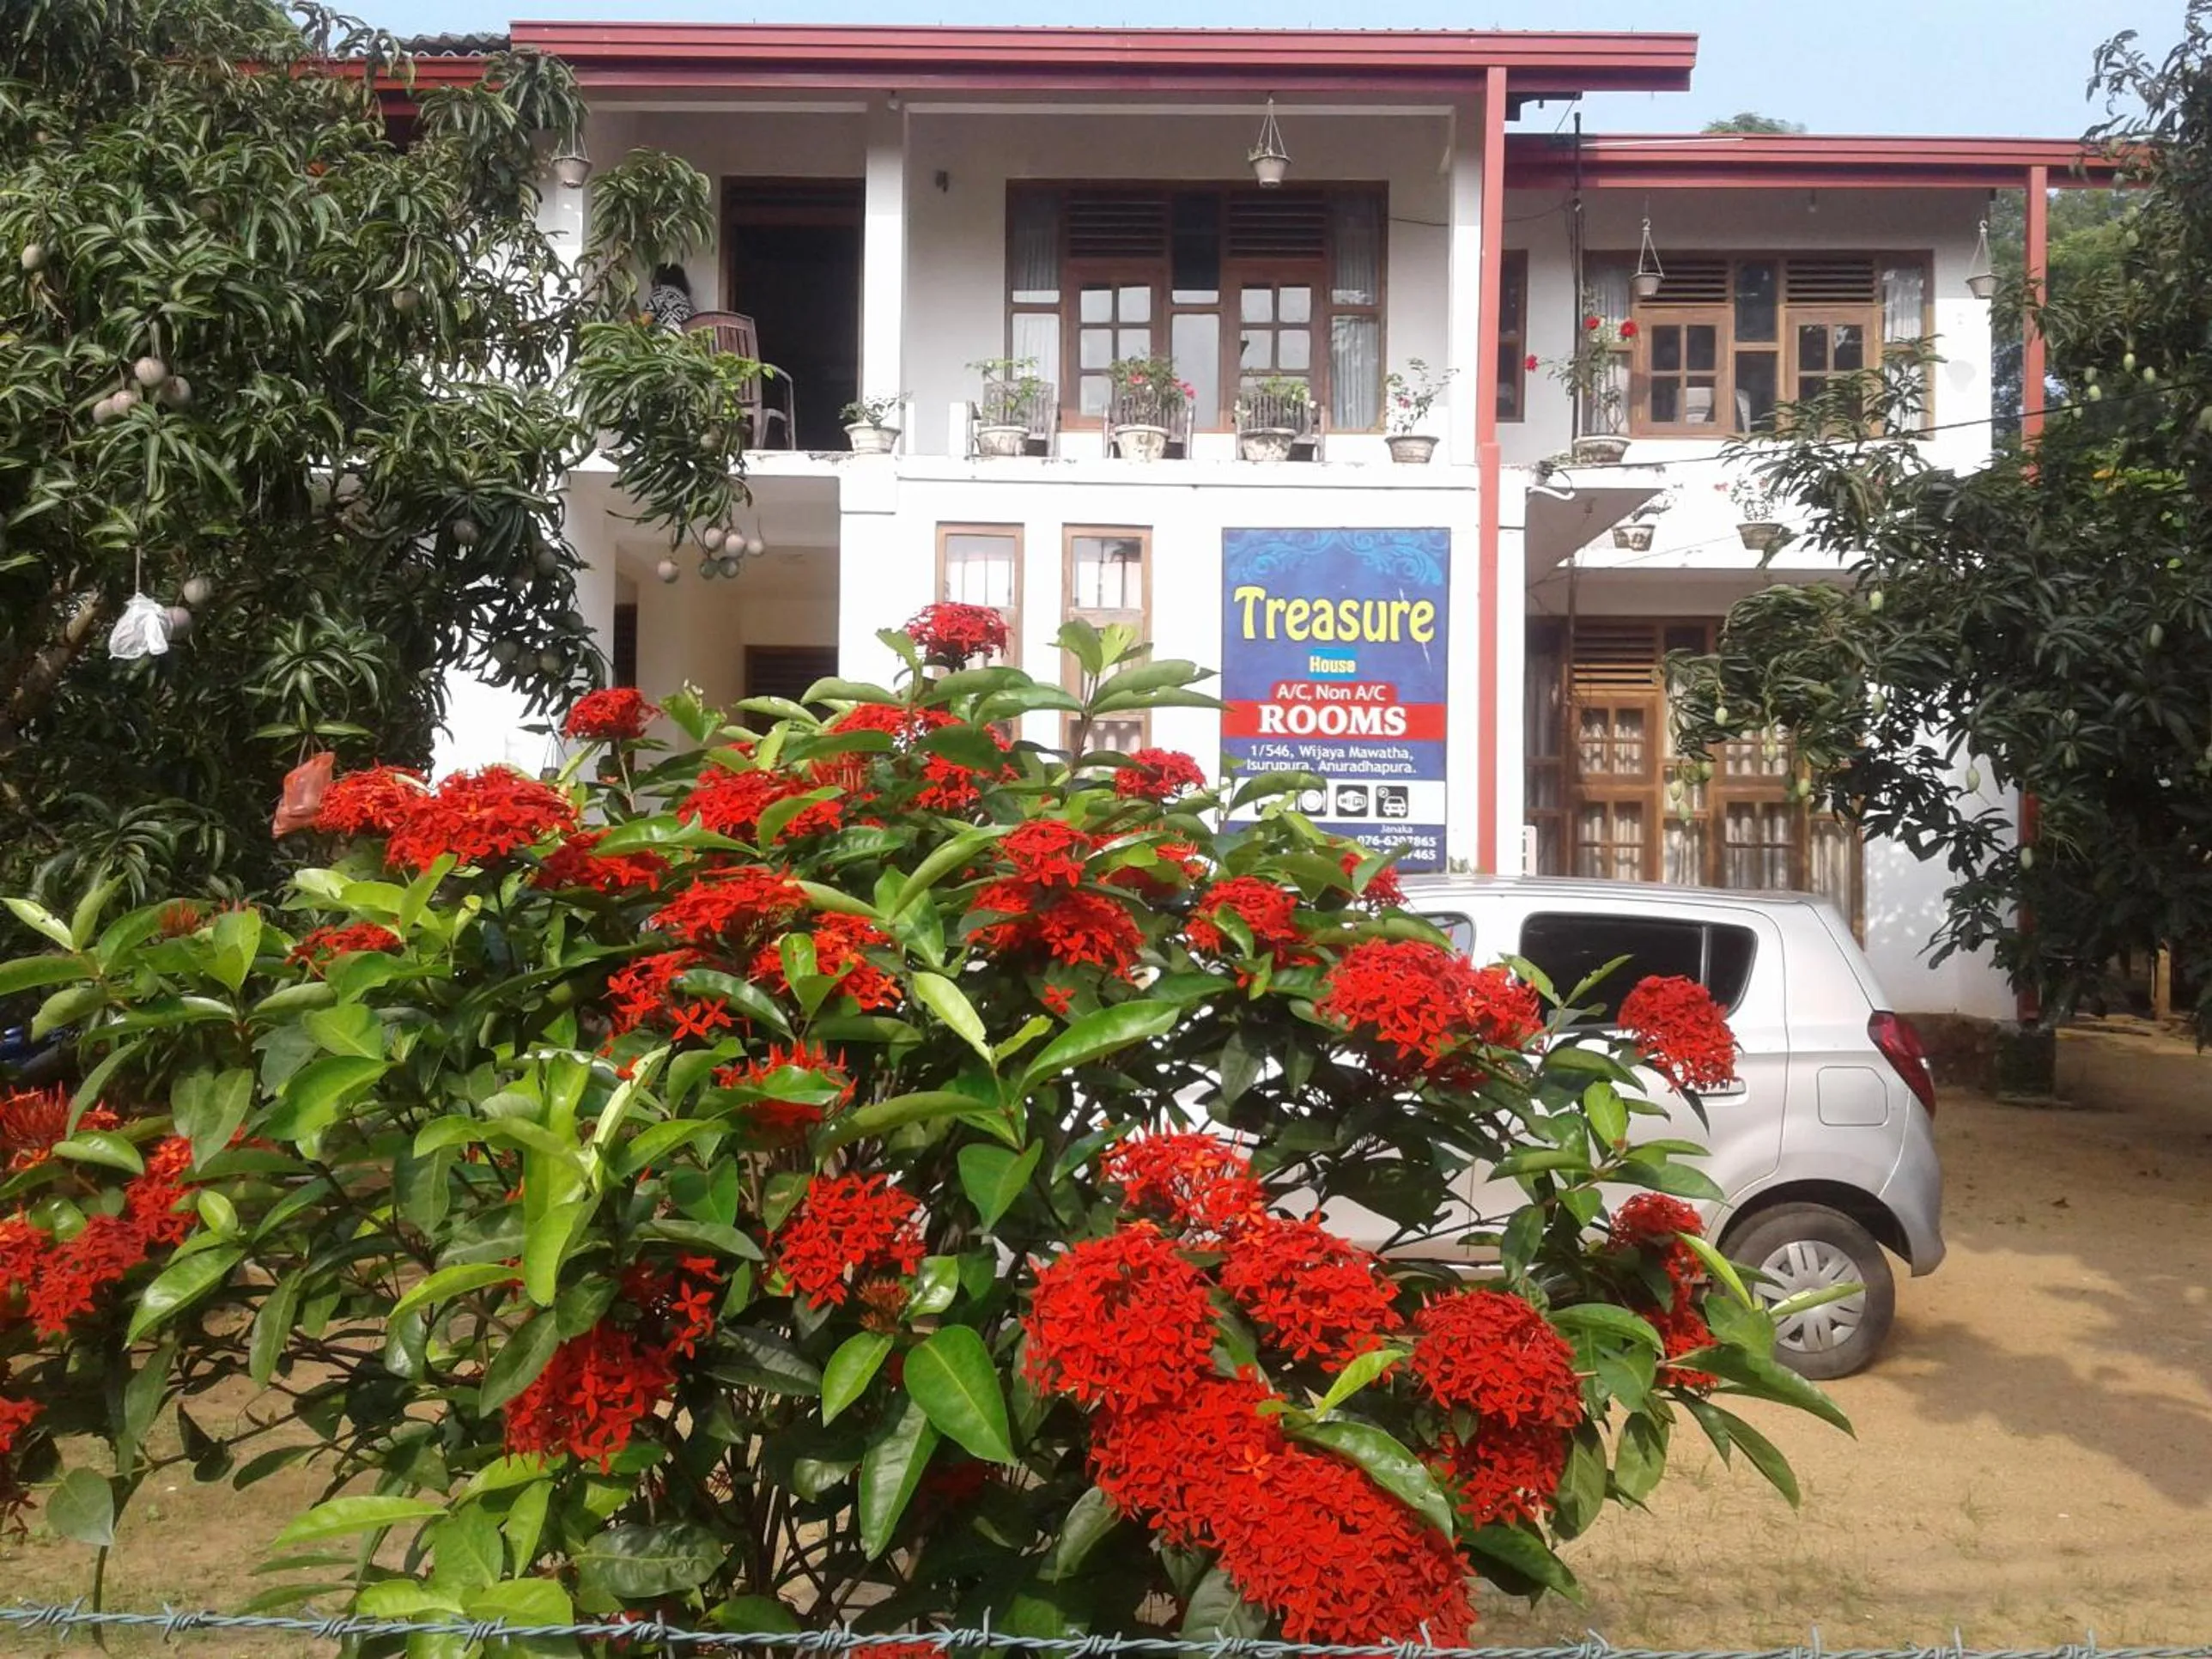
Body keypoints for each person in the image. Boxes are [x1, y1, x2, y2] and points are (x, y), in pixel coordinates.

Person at [645, 264, 694, 330]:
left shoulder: (661, 291)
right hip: (683, 337)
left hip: (666, 337)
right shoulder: (684, 298)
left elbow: (645, 319)